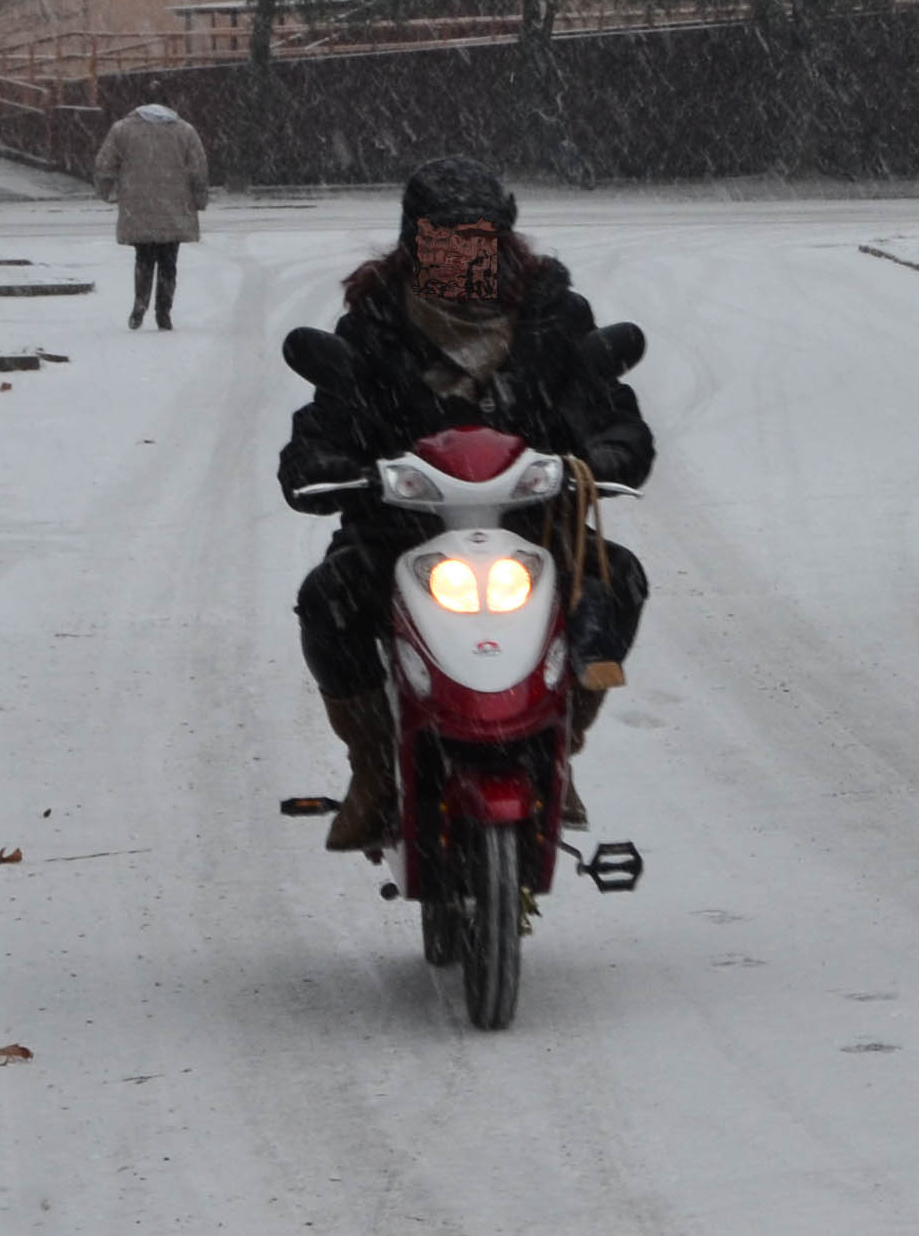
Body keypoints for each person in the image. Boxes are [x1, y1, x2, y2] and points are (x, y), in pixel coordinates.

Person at [280, 159, 654, 851]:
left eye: (477, 241)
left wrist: (601, 458)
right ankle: (373, 769)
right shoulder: (375, 322)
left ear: (504, 242)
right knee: (329, 599)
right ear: (412, 242)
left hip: (534, 525)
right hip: (401, 528)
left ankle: (559, 747)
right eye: (444, 241)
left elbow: (616, 418)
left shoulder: (554, 318)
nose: (462, 257)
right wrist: (335, 467)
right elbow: (323, 427)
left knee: (615, 582)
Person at [92, 100, 209, 328]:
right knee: (168, 262)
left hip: (138, 204)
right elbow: (199, 168)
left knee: (143, 258)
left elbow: (104, 164)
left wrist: (105, 190)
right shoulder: (185, 131)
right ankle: (163, 312)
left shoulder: (122, 130)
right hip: (174, 205)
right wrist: (199, 198)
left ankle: (140, 303)